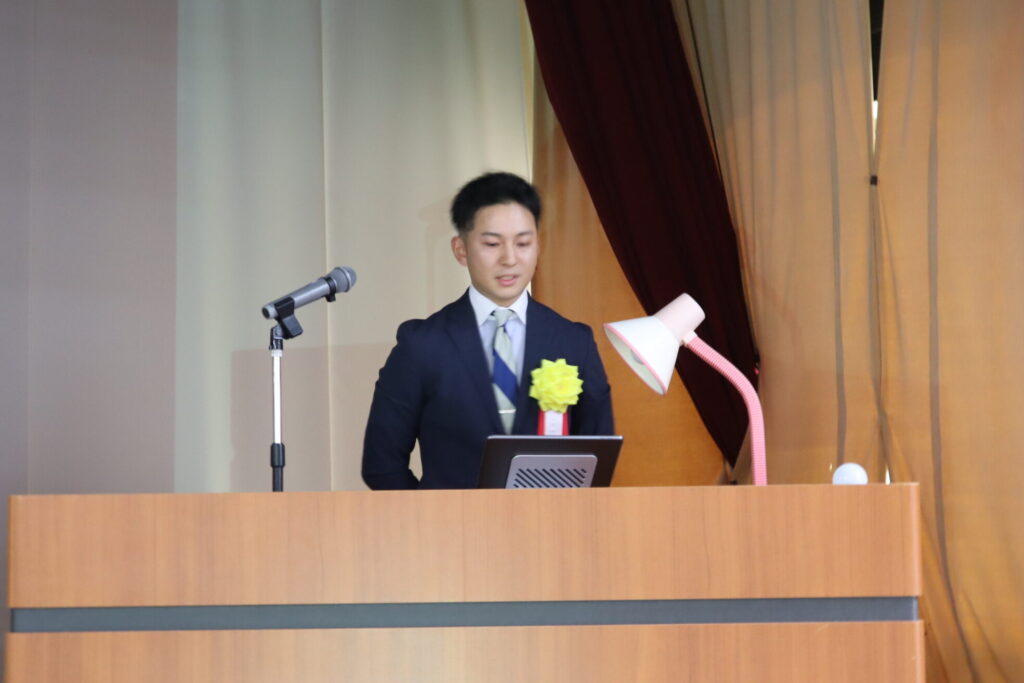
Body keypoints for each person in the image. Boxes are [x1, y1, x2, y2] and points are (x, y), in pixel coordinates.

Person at [361, 172, 614, 489]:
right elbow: (382, 465)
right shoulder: (422, 345)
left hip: (549, 519)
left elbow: (598, 460)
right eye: (492, 244)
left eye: (523, 243)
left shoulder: (574, 341)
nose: (510, 259)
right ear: (461, 249)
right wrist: (432, 515)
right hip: (451, 521)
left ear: (539, 245)